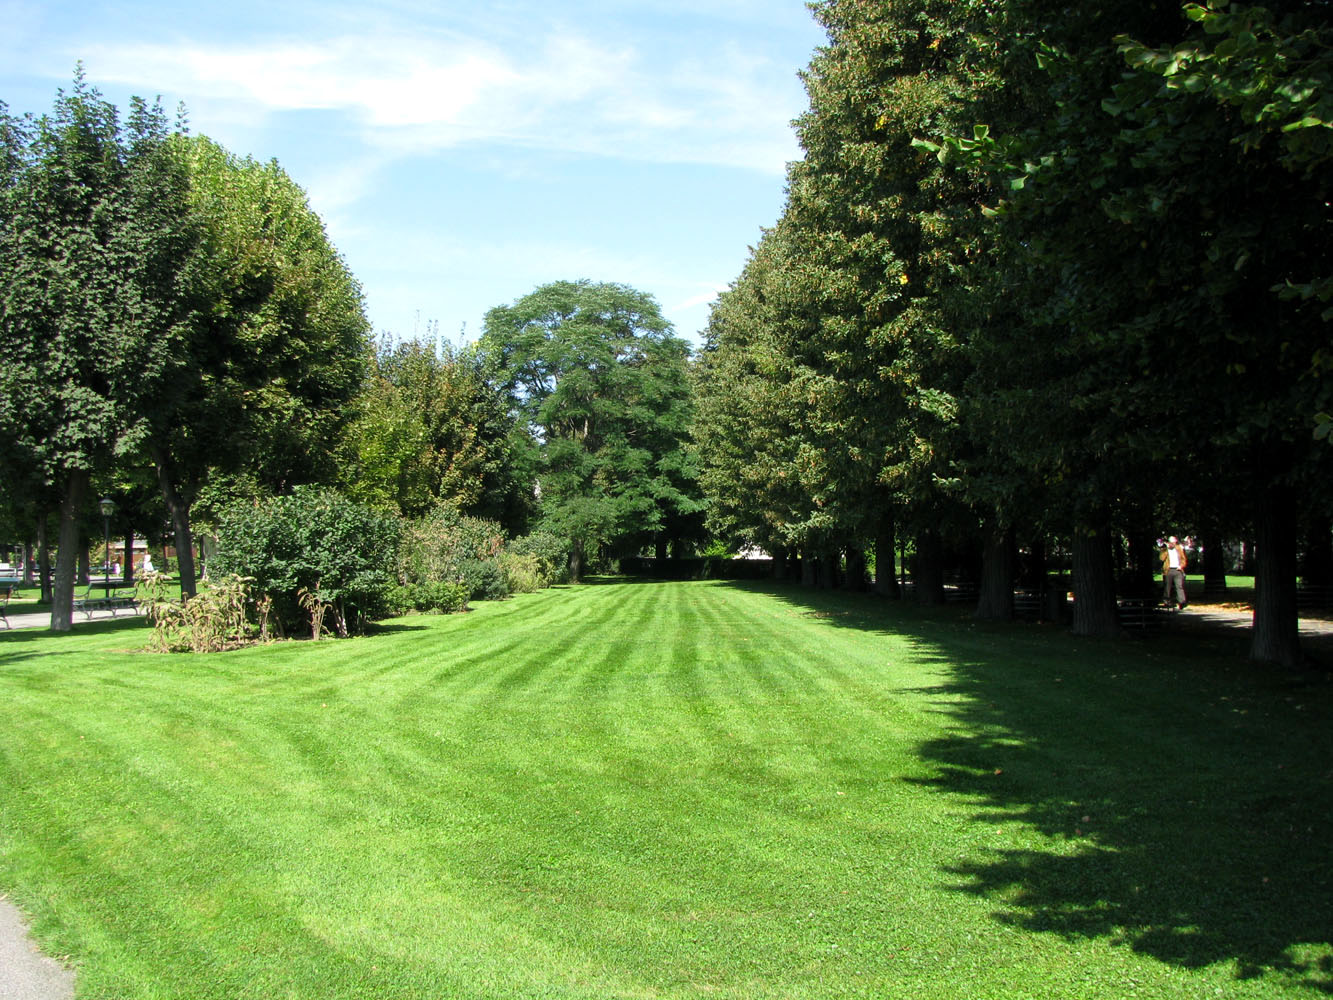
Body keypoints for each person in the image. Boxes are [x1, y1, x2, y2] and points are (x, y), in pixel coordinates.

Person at [1161, 535, 1188, 610]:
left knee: (1179, 586)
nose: (1172, 544)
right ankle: (1166, 601)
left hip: (1177, 569)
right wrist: (1166, 549)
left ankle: (1182, 602)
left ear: (1175, 542)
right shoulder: (1165, 549)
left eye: (1173, 542)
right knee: (1167, 587)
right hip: (1168, 570)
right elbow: (1161, 558)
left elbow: (1183, 559)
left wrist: (1181, 566)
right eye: (1170, 542)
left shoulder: (1179, 548)